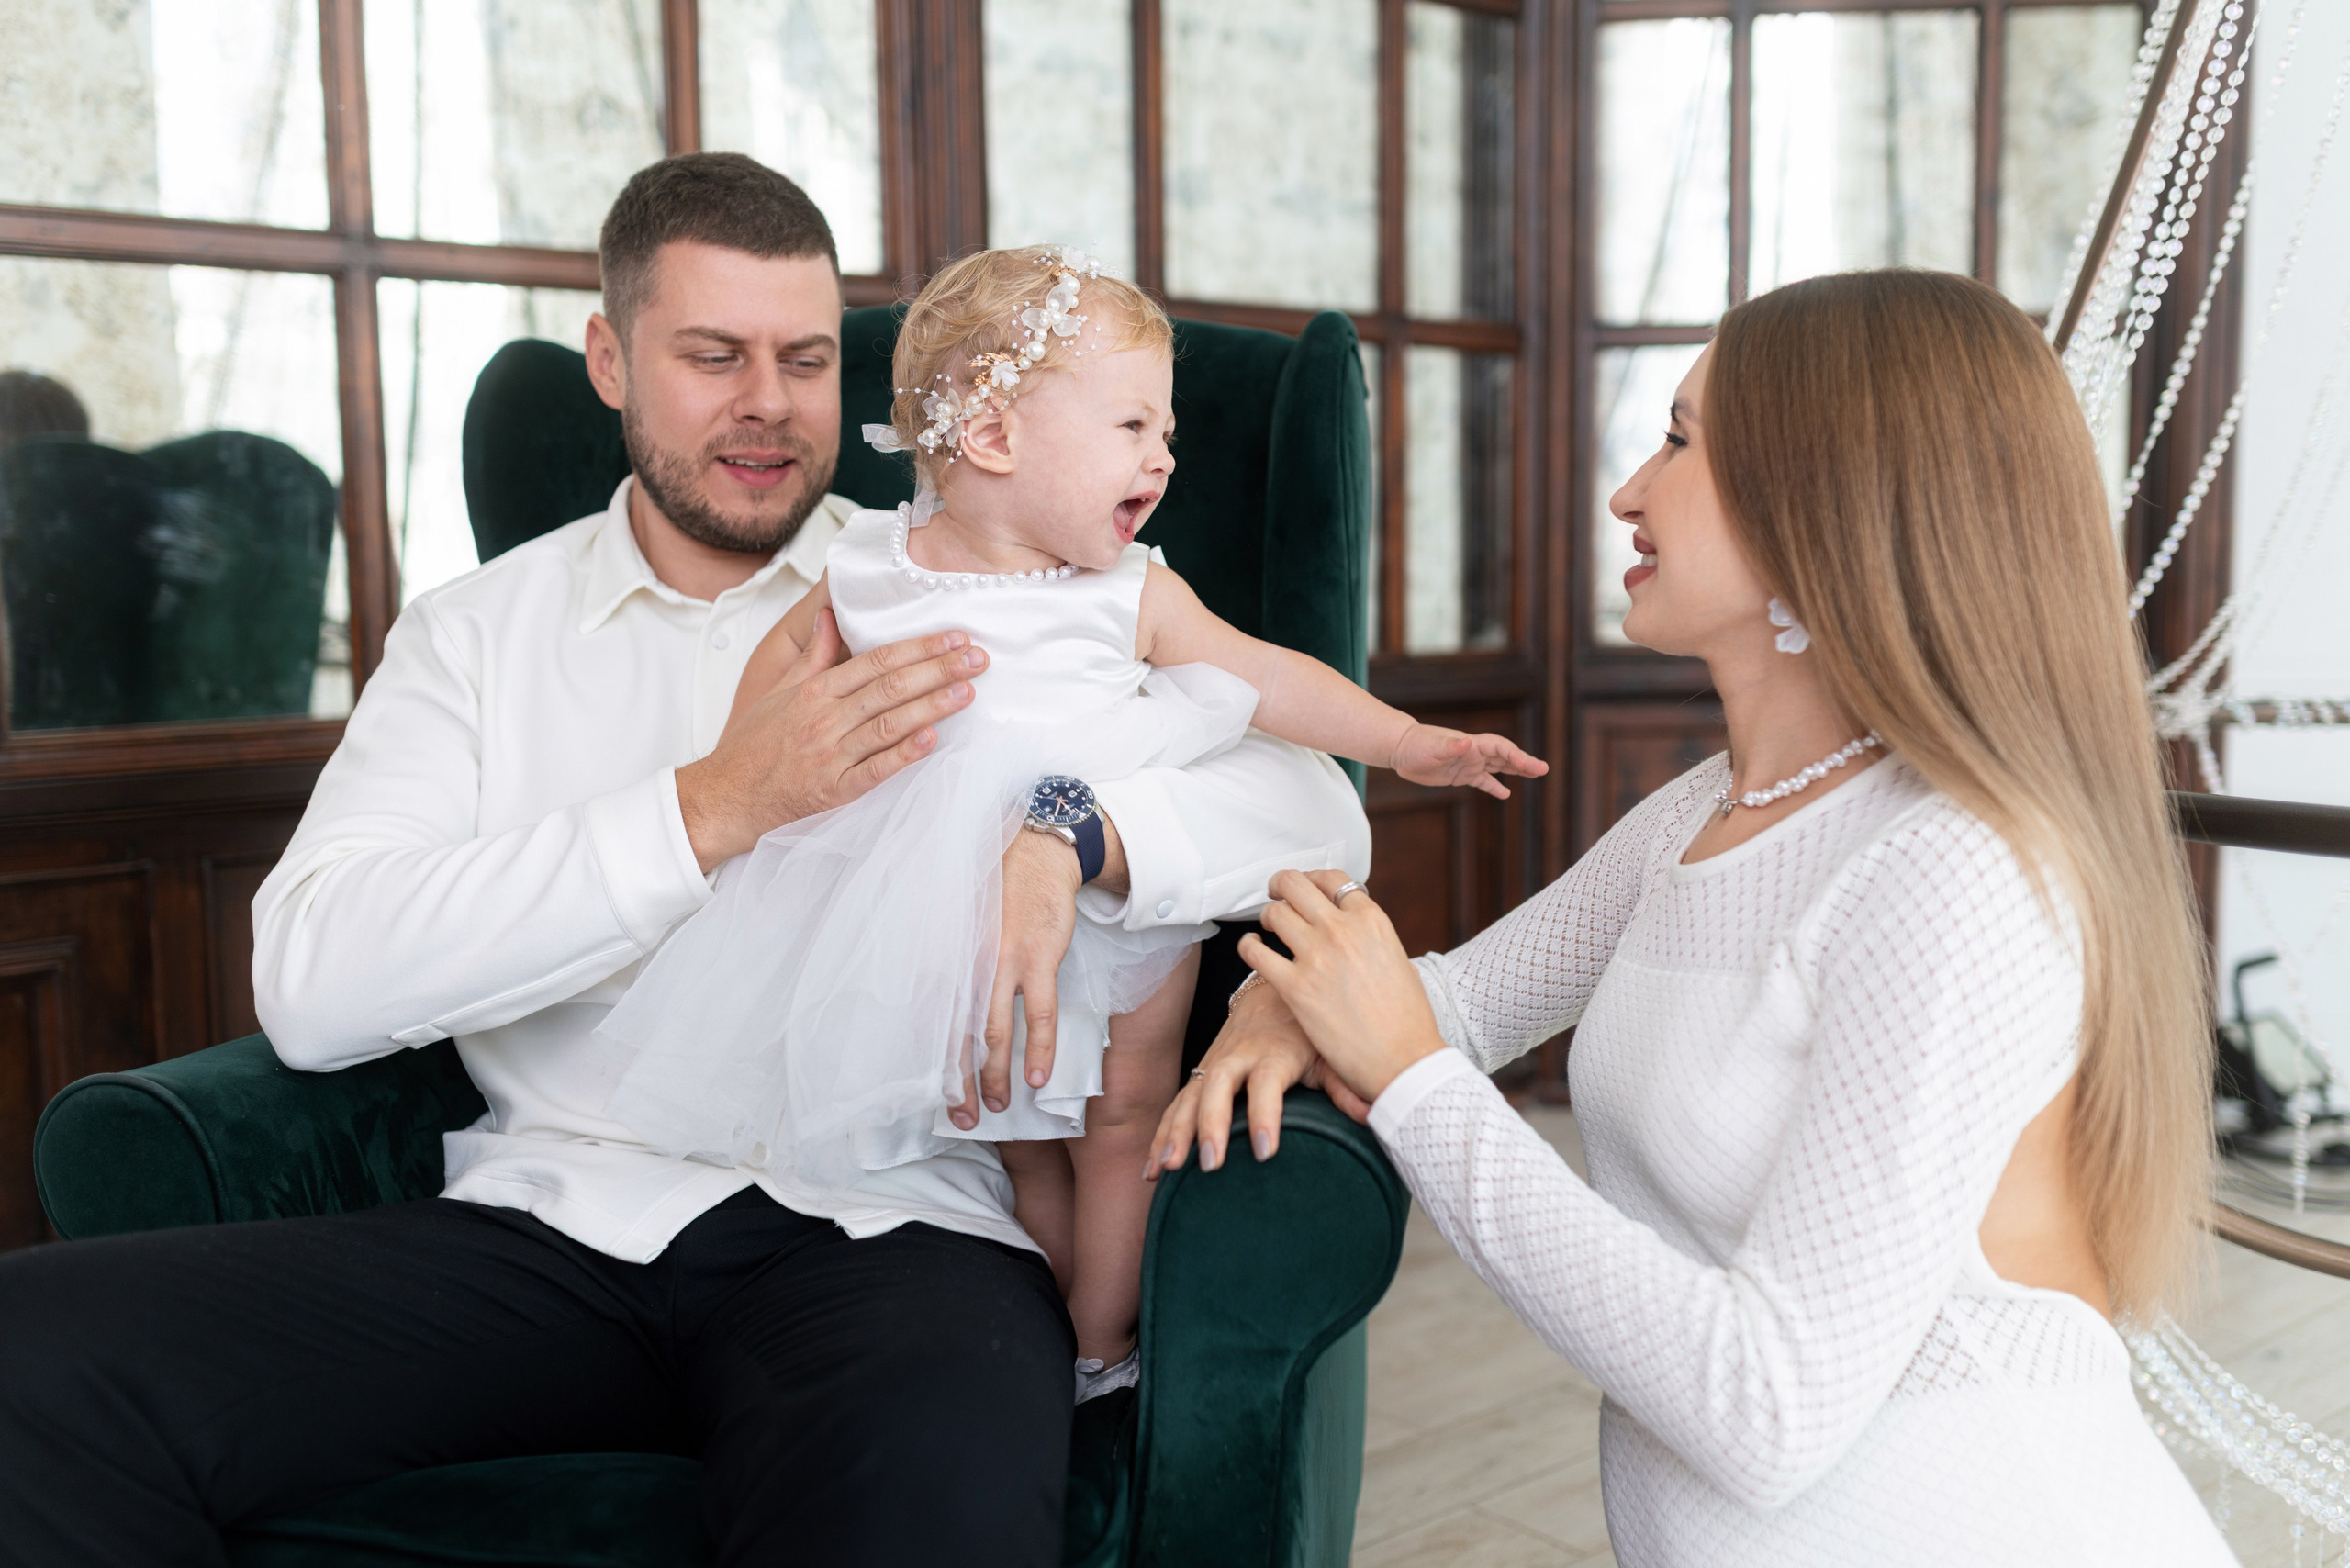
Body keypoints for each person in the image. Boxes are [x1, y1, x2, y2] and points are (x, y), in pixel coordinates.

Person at [0, 153, 1371, 1568]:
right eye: (713, 356)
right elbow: (312, 981)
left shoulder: (994, 589)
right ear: (611, 359)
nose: (767, 404)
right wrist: (712, 807)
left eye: (803, 360)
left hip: (899, 1236)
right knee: (30, 1360)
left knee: (921, 1514)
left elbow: (1319, 809)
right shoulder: (477, 637)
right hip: (554, 1228)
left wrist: (1073, 834)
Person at [1154, 270, 2234, 1565]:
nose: (1628, 492)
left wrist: (1415, 1082)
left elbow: (1768, 1407)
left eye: (1679, 441)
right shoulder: (1703, 814)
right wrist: (1286, 998)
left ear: (1824, 504)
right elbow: (1446, 1002)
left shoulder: (1955, 870)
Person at [599, 244, 1543, 1394]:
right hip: (938, 898)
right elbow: (779, 689)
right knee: (1015, 1132)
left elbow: (1267, 675)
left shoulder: (1128, 588)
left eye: (1166, 430)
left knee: (1117, 1122)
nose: (1165, 454)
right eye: (1133, 427)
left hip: (1114, 899)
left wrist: (1404, 741)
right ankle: (1053, 1324)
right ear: (993, 439)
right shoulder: (871, 566)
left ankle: (1104, 1348)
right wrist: (735, 782)